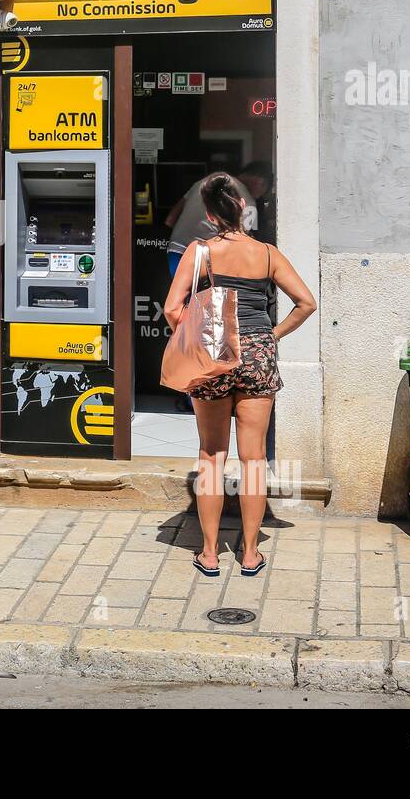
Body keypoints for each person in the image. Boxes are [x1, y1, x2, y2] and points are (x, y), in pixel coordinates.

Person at [163, 172, 316, 578]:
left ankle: (209, 553)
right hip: (258, 353)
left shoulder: (200, 252)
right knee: (254, 460)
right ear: (244, 212)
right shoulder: (267, 254)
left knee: (211, 457)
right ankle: (250, 553)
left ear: (210, 217)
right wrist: (270, 334)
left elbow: (171, 309)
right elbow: (306, 303)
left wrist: (200, 335)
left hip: (214, 353)